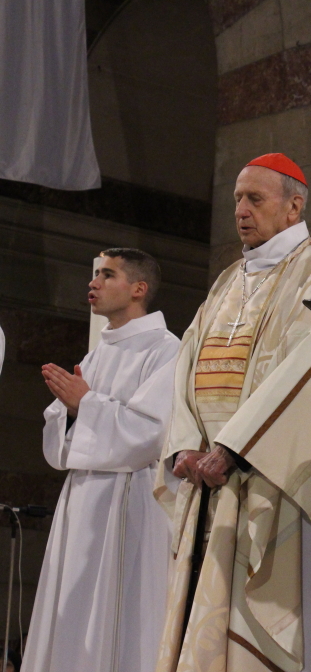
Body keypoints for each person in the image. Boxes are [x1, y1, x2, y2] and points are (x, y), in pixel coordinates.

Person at [153, 153, 311, 672]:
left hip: (277, 480)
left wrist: (235, 447)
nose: (241, 211)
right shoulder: (228, 279)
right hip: (209, 479)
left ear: (294, 206)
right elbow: (188, 360)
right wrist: (186, 442)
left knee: (265, 621)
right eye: (236, 199)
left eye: (255, 198)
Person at [22, 248, 179, 672]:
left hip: (129, 503)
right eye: (95, 274)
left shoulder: (166, 350)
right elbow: (63, 432)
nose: (93, 283)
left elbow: (151, 433)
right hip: (82, 500)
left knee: (117, 618)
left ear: (138, 289)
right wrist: (75, 409)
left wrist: (86, 403)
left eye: (107, 275)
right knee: (69, 611)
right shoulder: (97, 353)